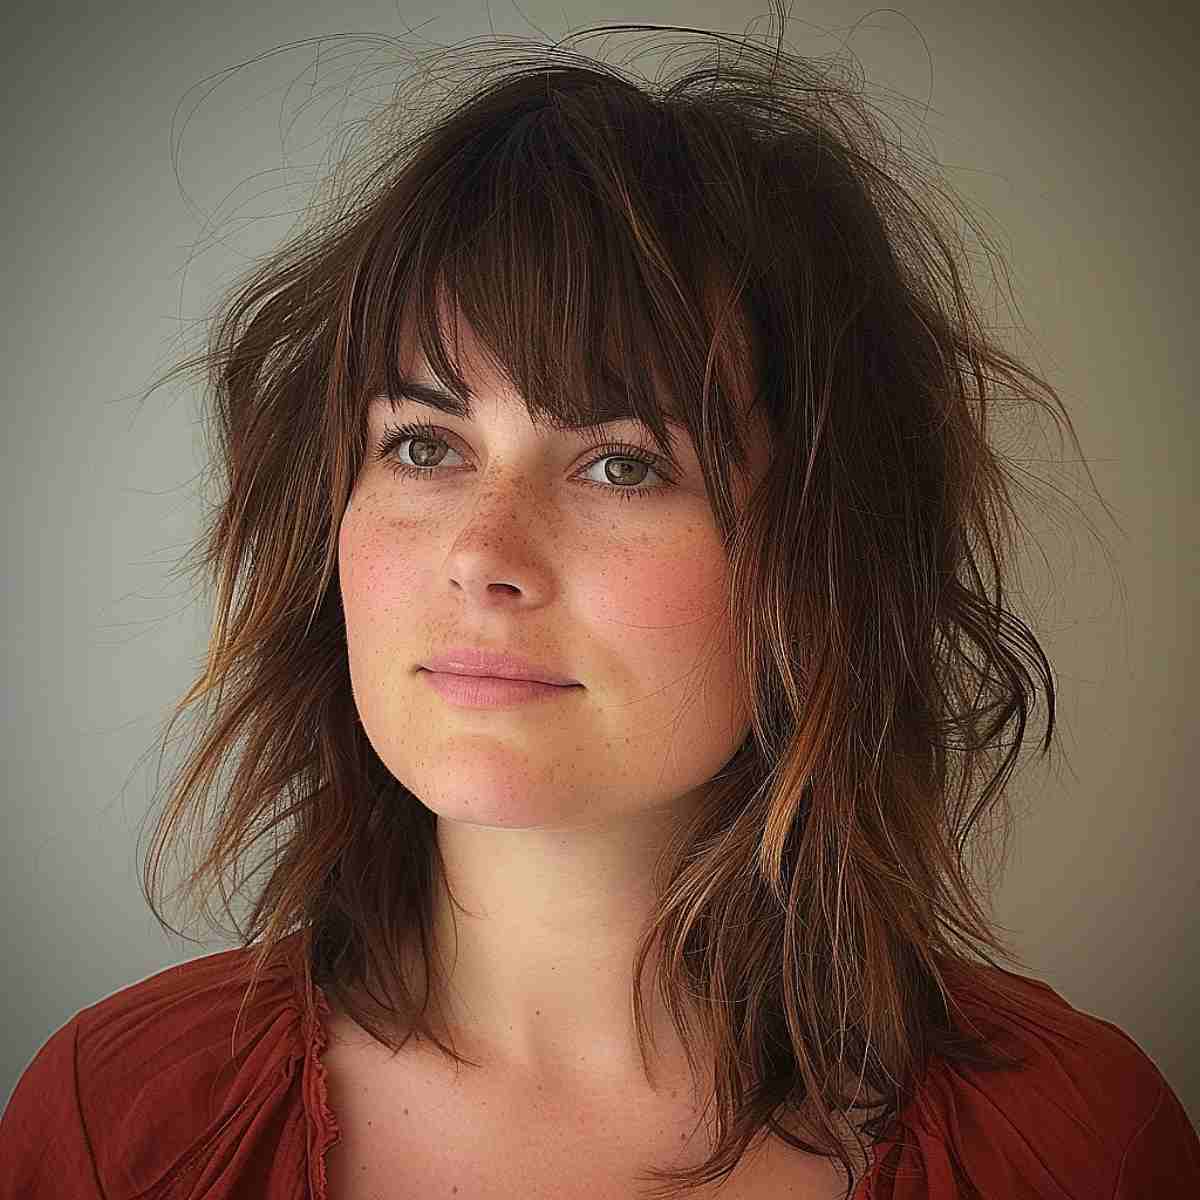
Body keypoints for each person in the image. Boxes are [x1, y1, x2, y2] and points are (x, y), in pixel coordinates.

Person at [3, 5, 1198, 1198]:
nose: (482, 553)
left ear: (822, 562)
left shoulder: (1075, 1149)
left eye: (623, 464)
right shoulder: (121, 1127)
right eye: (423, 445)